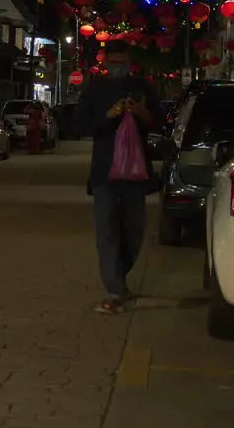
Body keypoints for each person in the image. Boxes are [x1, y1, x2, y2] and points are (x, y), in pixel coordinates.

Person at [76, 41, 162, 314]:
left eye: (122, 63)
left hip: (135, 173)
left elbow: (159, 122)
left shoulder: (142, 88)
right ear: (105, 63)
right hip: (105, 171)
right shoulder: (94, 89)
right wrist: (109, 115)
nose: (118, 68)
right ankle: (113, 289)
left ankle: (119, 278)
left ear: (130, 63)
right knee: (107, 231)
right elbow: (80, 124)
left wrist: (141, 112)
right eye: (113, 63)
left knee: (134, 231)